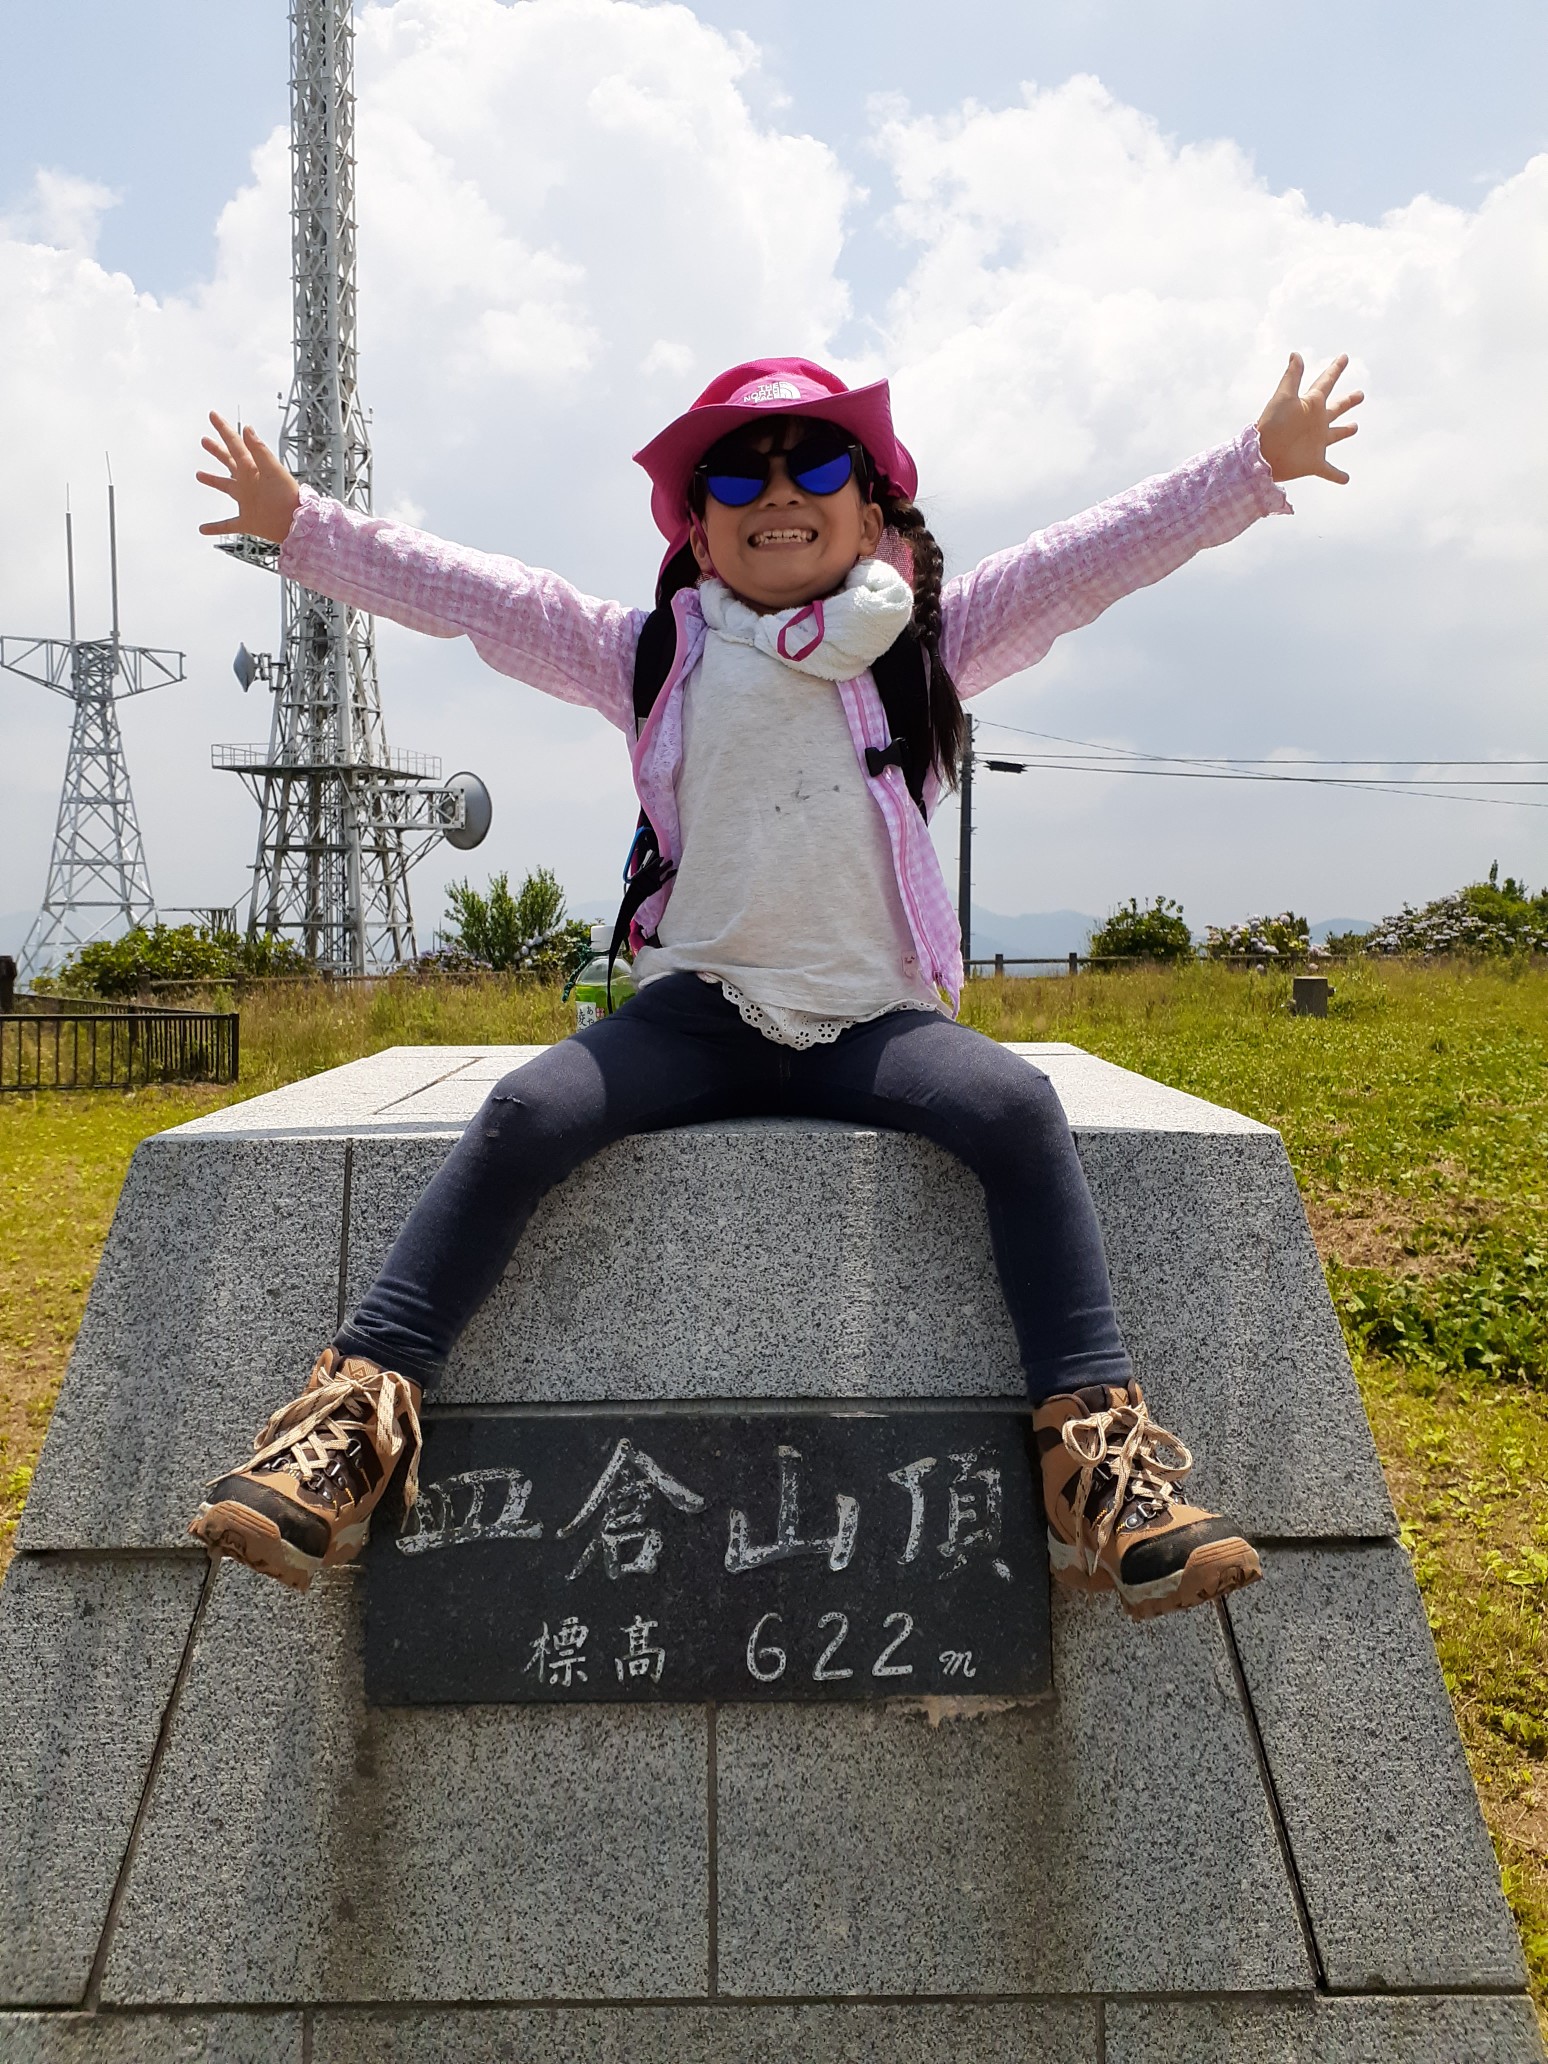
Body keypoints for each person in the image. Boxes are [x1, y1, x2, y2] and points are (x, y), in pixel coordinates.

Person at [189, 350, 1361, 1619]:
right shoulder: (649, 654)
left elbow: (1082, 566)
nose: (778, 487)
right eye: (735, 470)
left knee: (1018, 1112)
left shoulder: (927, 644)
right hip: (696, 1010)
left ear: (875, 507)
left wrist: (1252, 470)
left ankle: (1095, 1466)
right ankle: (348, 1428)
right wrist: (301, 528)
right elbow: (480, 596)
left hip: (875, 1023)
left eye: (817, 461)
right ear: (694, 525)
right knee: (528, 1114)